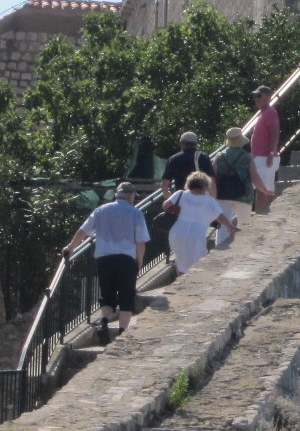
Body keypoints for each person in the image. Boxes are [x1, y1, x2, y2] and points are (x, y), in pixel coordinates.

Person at [62, 182, 149, 342]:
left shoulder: (101, 210)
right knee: (126, 296)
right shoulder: (135, 213)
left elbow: (83, 231)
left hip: (104, 258)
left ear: (117, 194)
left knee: (107, 294)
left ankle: (104, 321)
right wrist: (139, 261)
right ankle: (122, 332)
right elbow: (141, 241)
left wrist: (70, 247)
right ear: (131, 196)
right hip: (126, 258)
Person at [168, 171, 238, 275]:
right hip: (197, 234)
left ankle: (179, 281)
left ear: (189, 183)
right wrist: (229, 225)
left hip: (177, 231)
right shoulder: (209, 200)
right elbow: (220, 216)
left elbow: (166, 205)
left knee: (181, 259)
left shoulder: (180, 194)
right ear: (206, 186)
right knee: (196, 262)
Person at [212, 128, 267, 245]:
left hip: (223, 194)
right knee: (244, 224)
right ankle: (242, 246)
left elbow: (212, 177)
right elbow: (255, 177)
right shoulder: (247, 157)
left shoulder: (219, 156)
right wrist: (264, 190)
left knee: (223, 224)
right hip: (244, 195)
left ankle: (220, 248)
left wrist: (212, 195)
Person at [250, 86, 280, 211]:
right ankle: (267, 213)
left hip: (265, 157)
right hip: (260, 157)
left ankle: (261, 216)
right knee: (264, 189)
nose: (256, 99)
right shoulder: (263, 113)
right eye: (255, 96)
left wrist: (271, 153)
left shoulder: (270, 112)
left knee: (262, 190)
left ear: (268, 97)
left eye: (259, 96)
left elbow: (275, 133)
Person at [161, 132, 216, 200]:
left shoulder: (173, 159)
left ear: (181, 143)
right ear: (196, 144)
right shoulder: (203, 157)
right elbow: (211, 180)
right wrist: (213, 199)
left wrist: (169, 197)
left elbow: (165, 183)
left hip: (181, 197)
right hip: (200, 197)